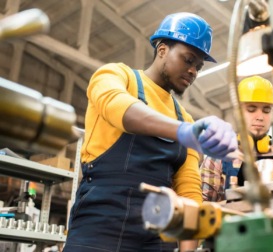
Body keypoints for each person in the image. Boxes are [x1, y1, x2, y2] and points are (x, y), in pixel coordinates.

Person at [64, 12, 238, 252]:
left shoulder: (184, 117)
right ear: (162, 49)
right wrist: (184, 132)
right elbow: (119, 107)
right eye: (188, 60)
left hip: (158, 236)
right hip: (100, 227)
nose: (193, 72)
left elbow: (188, 192)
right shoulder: (116, 76)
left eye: (198, 67)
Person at [200, 76, 273, 202]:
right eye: (251, 109)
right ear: (237, 113)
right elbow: (204, 209)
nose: (260, 117)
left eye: (266, 110)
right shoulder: (217, 158)